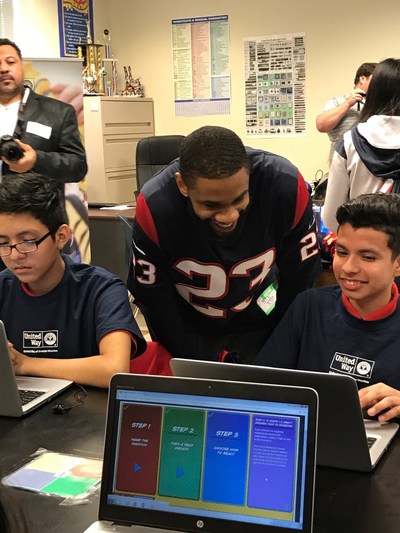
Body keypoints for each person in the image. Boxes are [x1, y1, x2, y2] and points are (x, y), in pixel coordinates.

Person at [128, 126, 320, 363]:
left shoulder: (285, 186)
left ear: (250, 176)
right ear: (183, 186)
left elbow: (300, 282)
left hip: (263, 316)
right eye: (211, 205)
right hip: (188, 327)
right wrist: (186, 361)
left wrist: (280, 345)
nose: (228, 216)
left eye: (239, 199)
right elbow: (155, 300)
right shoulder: (156, 204)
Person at [254, 193, 400, 422]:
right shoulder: (309, 306)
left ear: (397, 264)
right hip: (306, 441)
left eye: (368, 257)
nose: (348, 267)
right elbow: (261, 385)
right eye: (342, 252)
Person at [0, 173, 146, 388]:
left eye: (28, 241)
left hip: (82, 411)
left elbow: (114, 370)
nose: (15, 255)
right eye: (3, 243)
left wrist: (25, 363)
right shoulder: (3, 287)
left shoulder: (101, 288)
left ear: (61, 237)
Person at [322, 58, 400, 232]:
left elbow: (331, 217)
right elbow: (322, 124)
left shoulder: (350, 141)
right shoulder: (342, 104)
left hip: (366, 246)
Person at [0, 38, 87, 182]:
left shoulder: (58, 111)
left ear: (21, 66)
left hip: (37, 203)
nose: (3, 69)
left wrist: (37, 160)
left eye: (10, 62)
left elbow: (78, 167)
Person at [316, 62, 377, 165]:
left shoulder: (381, 104)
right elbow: (321, 125)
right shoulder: (338, 101)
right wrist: (348, 104)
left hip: (372, 164)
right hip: (343, 163)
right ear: (362, 79)